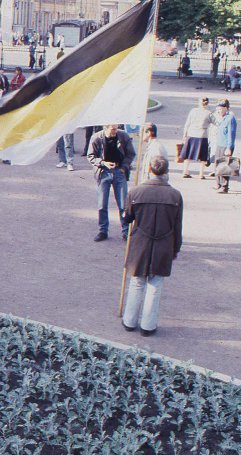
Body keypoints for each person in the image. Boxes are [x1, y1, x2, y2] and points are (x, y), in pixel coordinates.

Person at [121, 156, 183, 336]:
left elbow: (127, 218)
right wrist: (176, 248)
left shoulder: (137, 191)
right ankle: (148, 326)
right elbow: (178, 226)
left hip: (141, 242)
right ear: (166, 171)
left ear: (150, 169)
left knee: (137, 282)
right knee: (155, 285)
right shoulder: (175, 195)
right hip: (163, 243)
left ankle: (129, 321)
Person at [87, 124, 136, 241]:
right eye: (113, 129)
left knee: (123, 204)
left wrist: (124, 167)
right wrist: (103, 163)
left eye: (116, 128)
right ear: (105, 128)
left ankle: (125, 231)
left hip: (119, 171)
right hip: (103, 171)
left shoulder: (123, 136)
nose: (115, 131)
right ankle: (103, 231)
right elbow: (90, 156)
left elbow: (131, 154)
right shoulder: (96, 138)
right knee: (102, 204)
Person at [180, 97, 212, 179]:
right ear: (207, 103)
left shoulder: (193, 111)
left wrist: (184, 134)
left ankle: (185, 171)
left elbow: (187, 123)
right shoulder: (208, 113)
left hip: (191, 134)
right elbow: (215, 122)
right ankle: (201, 174)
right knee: (203, 156)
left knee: (188, 154)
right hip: (202, 135)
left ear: (199, 102)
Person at [213, 101, 237, 194]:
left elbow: (231, 134)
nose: (219, 111)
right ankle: (218, 183)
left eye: (220, 109)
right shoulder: (222, 118)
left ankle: (224, 186)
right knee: (217, 164)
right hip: (220, 144)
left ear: (226, 108)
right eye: (218, 109)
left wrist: (229, 147)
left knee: (225, 166)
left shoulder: (230, 118)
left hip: (225, 146)